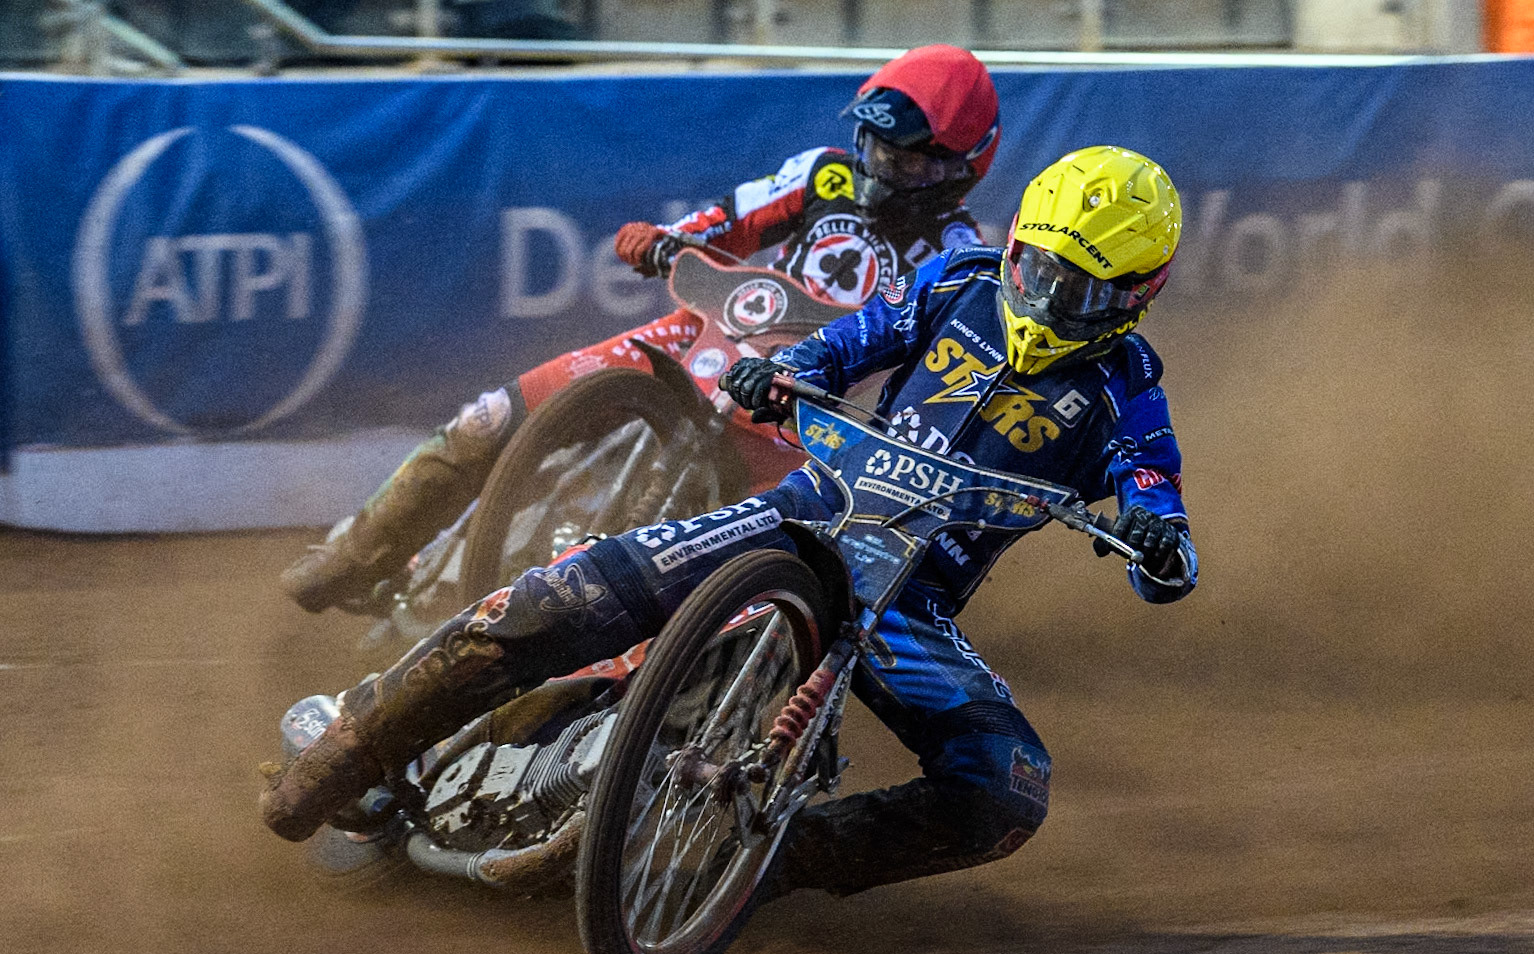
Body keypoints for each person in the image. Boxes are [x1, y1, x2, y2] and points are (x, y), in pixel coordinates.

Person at [261, 145, 1197, 901]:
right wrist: (787, 374)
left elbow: (1159, 505)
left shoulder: (1129, 394)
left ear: (1134, 295)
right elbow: (854, 339)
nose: (1043, 297)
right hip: (805, 513)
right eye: (1037, 267)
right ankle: (355, 746)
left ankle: (764, 861)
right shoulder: (961, 280)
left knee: (1009, 785)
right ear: (1020, 241)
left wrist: (1161, 545)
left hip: (909, 607)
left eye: (1078, 290)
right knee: (568, 590)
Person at [280, 43, 1003, 613]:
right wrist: (666, 239)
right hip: (699, 339)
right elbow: (726, 221)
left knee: (751, 589)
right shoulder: (824, 175)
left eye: (906, 160)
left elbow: (936, 385)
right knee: (491, 418)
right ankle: (360, 552)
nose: (881, 170)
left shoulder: (960, 259)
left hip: (801, 424)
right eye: (875, 147)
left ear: (959, 168)